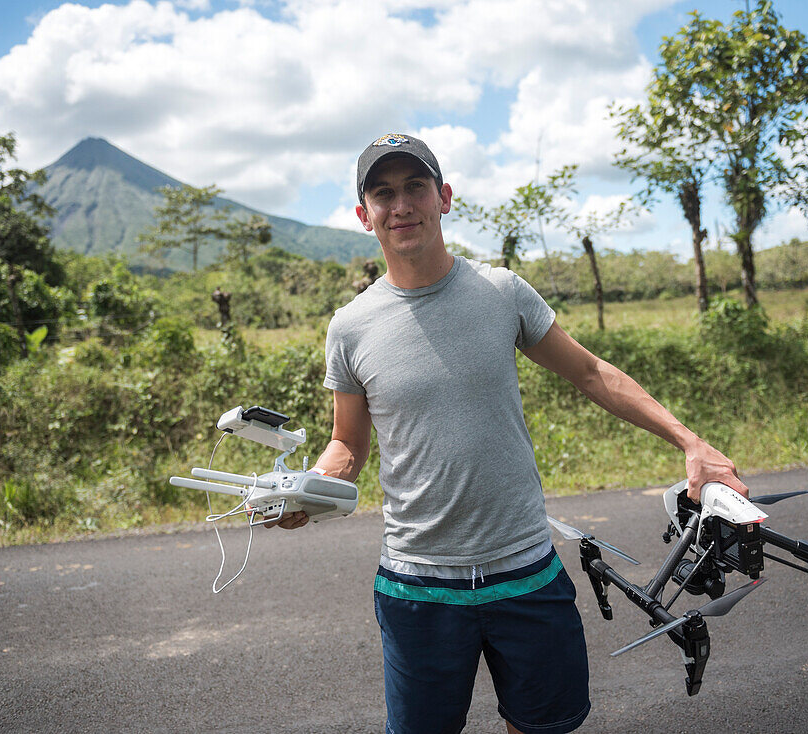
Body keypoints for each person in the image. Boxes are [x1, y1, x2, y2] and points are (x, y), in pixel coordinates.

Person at [268, 133, 749, 734]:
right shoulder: (352, 327)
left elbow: (592, 373)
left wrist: (690, 441)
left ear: (444, 197)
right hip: (419, 585)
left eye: (416, 187)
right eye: (383, 193)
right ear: (364, 215)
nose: (402, 205)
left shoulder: (501, 292)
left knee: (544, 726)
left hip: (526, 573)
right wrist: (313, 487)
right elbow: (348, 444)